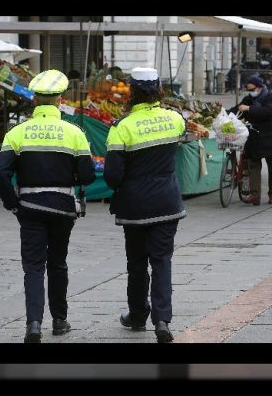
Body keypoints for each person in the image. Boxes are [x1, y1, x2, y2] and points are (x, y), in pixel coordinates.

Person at [0, 69, 96, 343]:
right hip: (63, 208)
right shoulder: (75, 133)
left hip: (29, 207)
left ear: (35, 100)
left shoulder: (17, 133)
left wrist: (13, 204)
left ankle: (34, 325)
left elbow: (1, 174)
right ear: (60, 99)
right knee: (58, 263)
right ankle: (60, 320)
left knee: (33, 267)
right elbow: (87, 175)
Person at [103, 67, 186, 343]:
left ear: (131, 91)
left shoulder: (121, 126)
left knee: (137, 263)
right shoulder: (175, 119)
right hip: (167, 202)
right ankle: (162, 320)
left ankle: (137, 316)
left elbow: (113, 176)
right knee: (162, 261)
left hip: (135, 206)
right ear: (159, 89)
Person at [227, 76, 272, 205]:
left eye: (252, 89)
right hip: (254, 136)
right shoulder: (248, 99)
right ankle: (255, 194)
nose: (250, 92)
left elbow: (269, 112)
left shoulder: (270, 97)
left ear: (260, 88)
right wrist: (224, 113)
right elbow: (237, 109)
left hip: (269, 136)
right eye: (248, 89)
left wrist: (249, 109)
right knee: (254, 165)